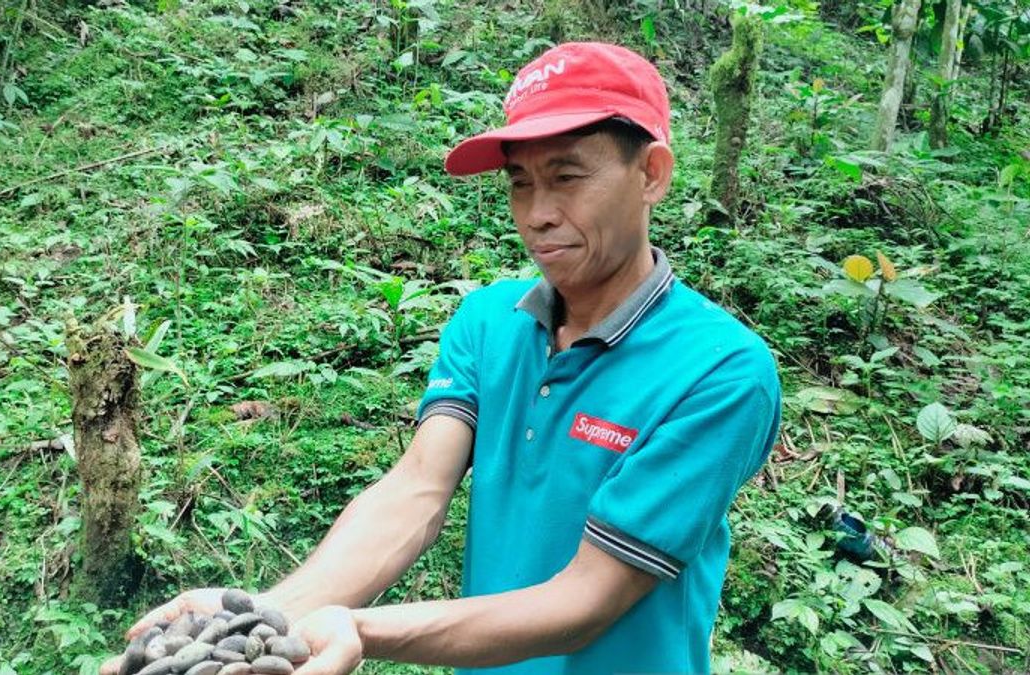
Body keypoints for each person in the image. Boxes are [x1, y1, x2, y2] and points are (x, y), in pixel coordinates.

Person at [102, 42, 781, 675]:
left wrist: (363, 628)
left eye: (567, 175)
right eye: (520, 182)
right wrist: (250, 618)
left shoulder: (720, 371)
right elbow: (415, 492)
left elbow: (588, 597)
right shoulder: (490, 322)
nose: (538, 213)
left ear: (650, 173)